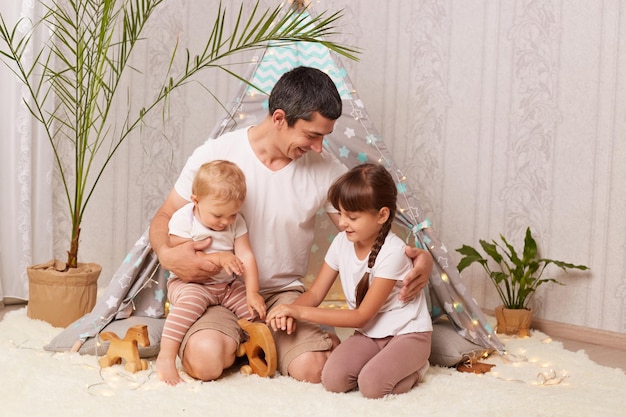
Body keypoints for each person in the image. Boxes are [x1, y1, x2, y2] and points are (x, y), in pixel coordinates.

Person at [149, 66, 434, 383]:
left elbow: (364, 225)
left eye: (324, 137)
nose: (318, 147)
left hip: (283, 297)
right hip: (216, 290)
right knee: (205, 362)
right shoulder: (217, 154)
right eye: (312, 136)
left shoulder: (325, 169)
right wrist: (166, 253)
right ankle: (235, 341)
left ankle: (265, 343)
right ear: (280, 118)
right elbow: (164, 215)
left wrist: (417, 255)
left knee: (315, 370)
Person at [266, 163, 432, 399]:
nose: (342, 223)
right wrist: (287, 312)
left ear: (382, 215)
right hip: (370, 335)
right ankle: (380, 363)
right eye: (340, 213)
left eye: (352, 217)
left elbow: (361, 316)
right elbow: (314, 295)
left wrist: (299, 313)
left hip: (408, 335)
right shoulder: (341, 242)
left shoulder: (393, 252)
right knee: (333, 379)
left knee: (372, 386)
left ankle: (417, 368)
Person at [156, 160, 266, 385]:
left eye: (232, 215)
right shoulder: (183, 218)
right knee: (190, 303)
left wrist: (252, 292)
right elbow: (183, 256)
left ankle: (250, 349)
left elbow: (246, 256)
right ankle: (165, 357)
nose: (225, 222)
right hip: (190, 284)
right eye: (218, 215)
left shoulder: (236, 223)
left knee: (254, 312)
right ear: (196, 201)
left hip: (226, 285)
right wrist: (217, 258)